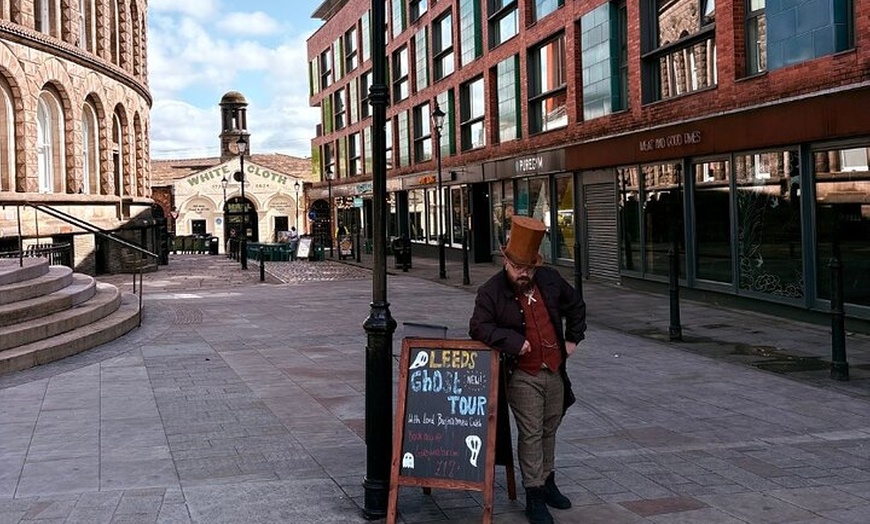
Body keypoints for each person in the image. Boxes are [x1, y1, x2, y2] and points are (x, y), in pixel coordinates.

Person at [469, 215, 586, 524]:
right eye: (518, 268)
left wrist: (573, 339)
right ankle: (533, 494)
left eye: (529, 268)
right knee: (531, 432)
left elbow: (576, 305)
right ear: (506, 262)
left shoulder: (548, 279)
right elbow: (478, 327)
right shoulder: (490, 292)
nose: (524, 274)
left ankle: (547, 482)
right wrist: (512, 341)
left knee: (551, 426)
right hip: (522, 374)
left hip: (554, 369)